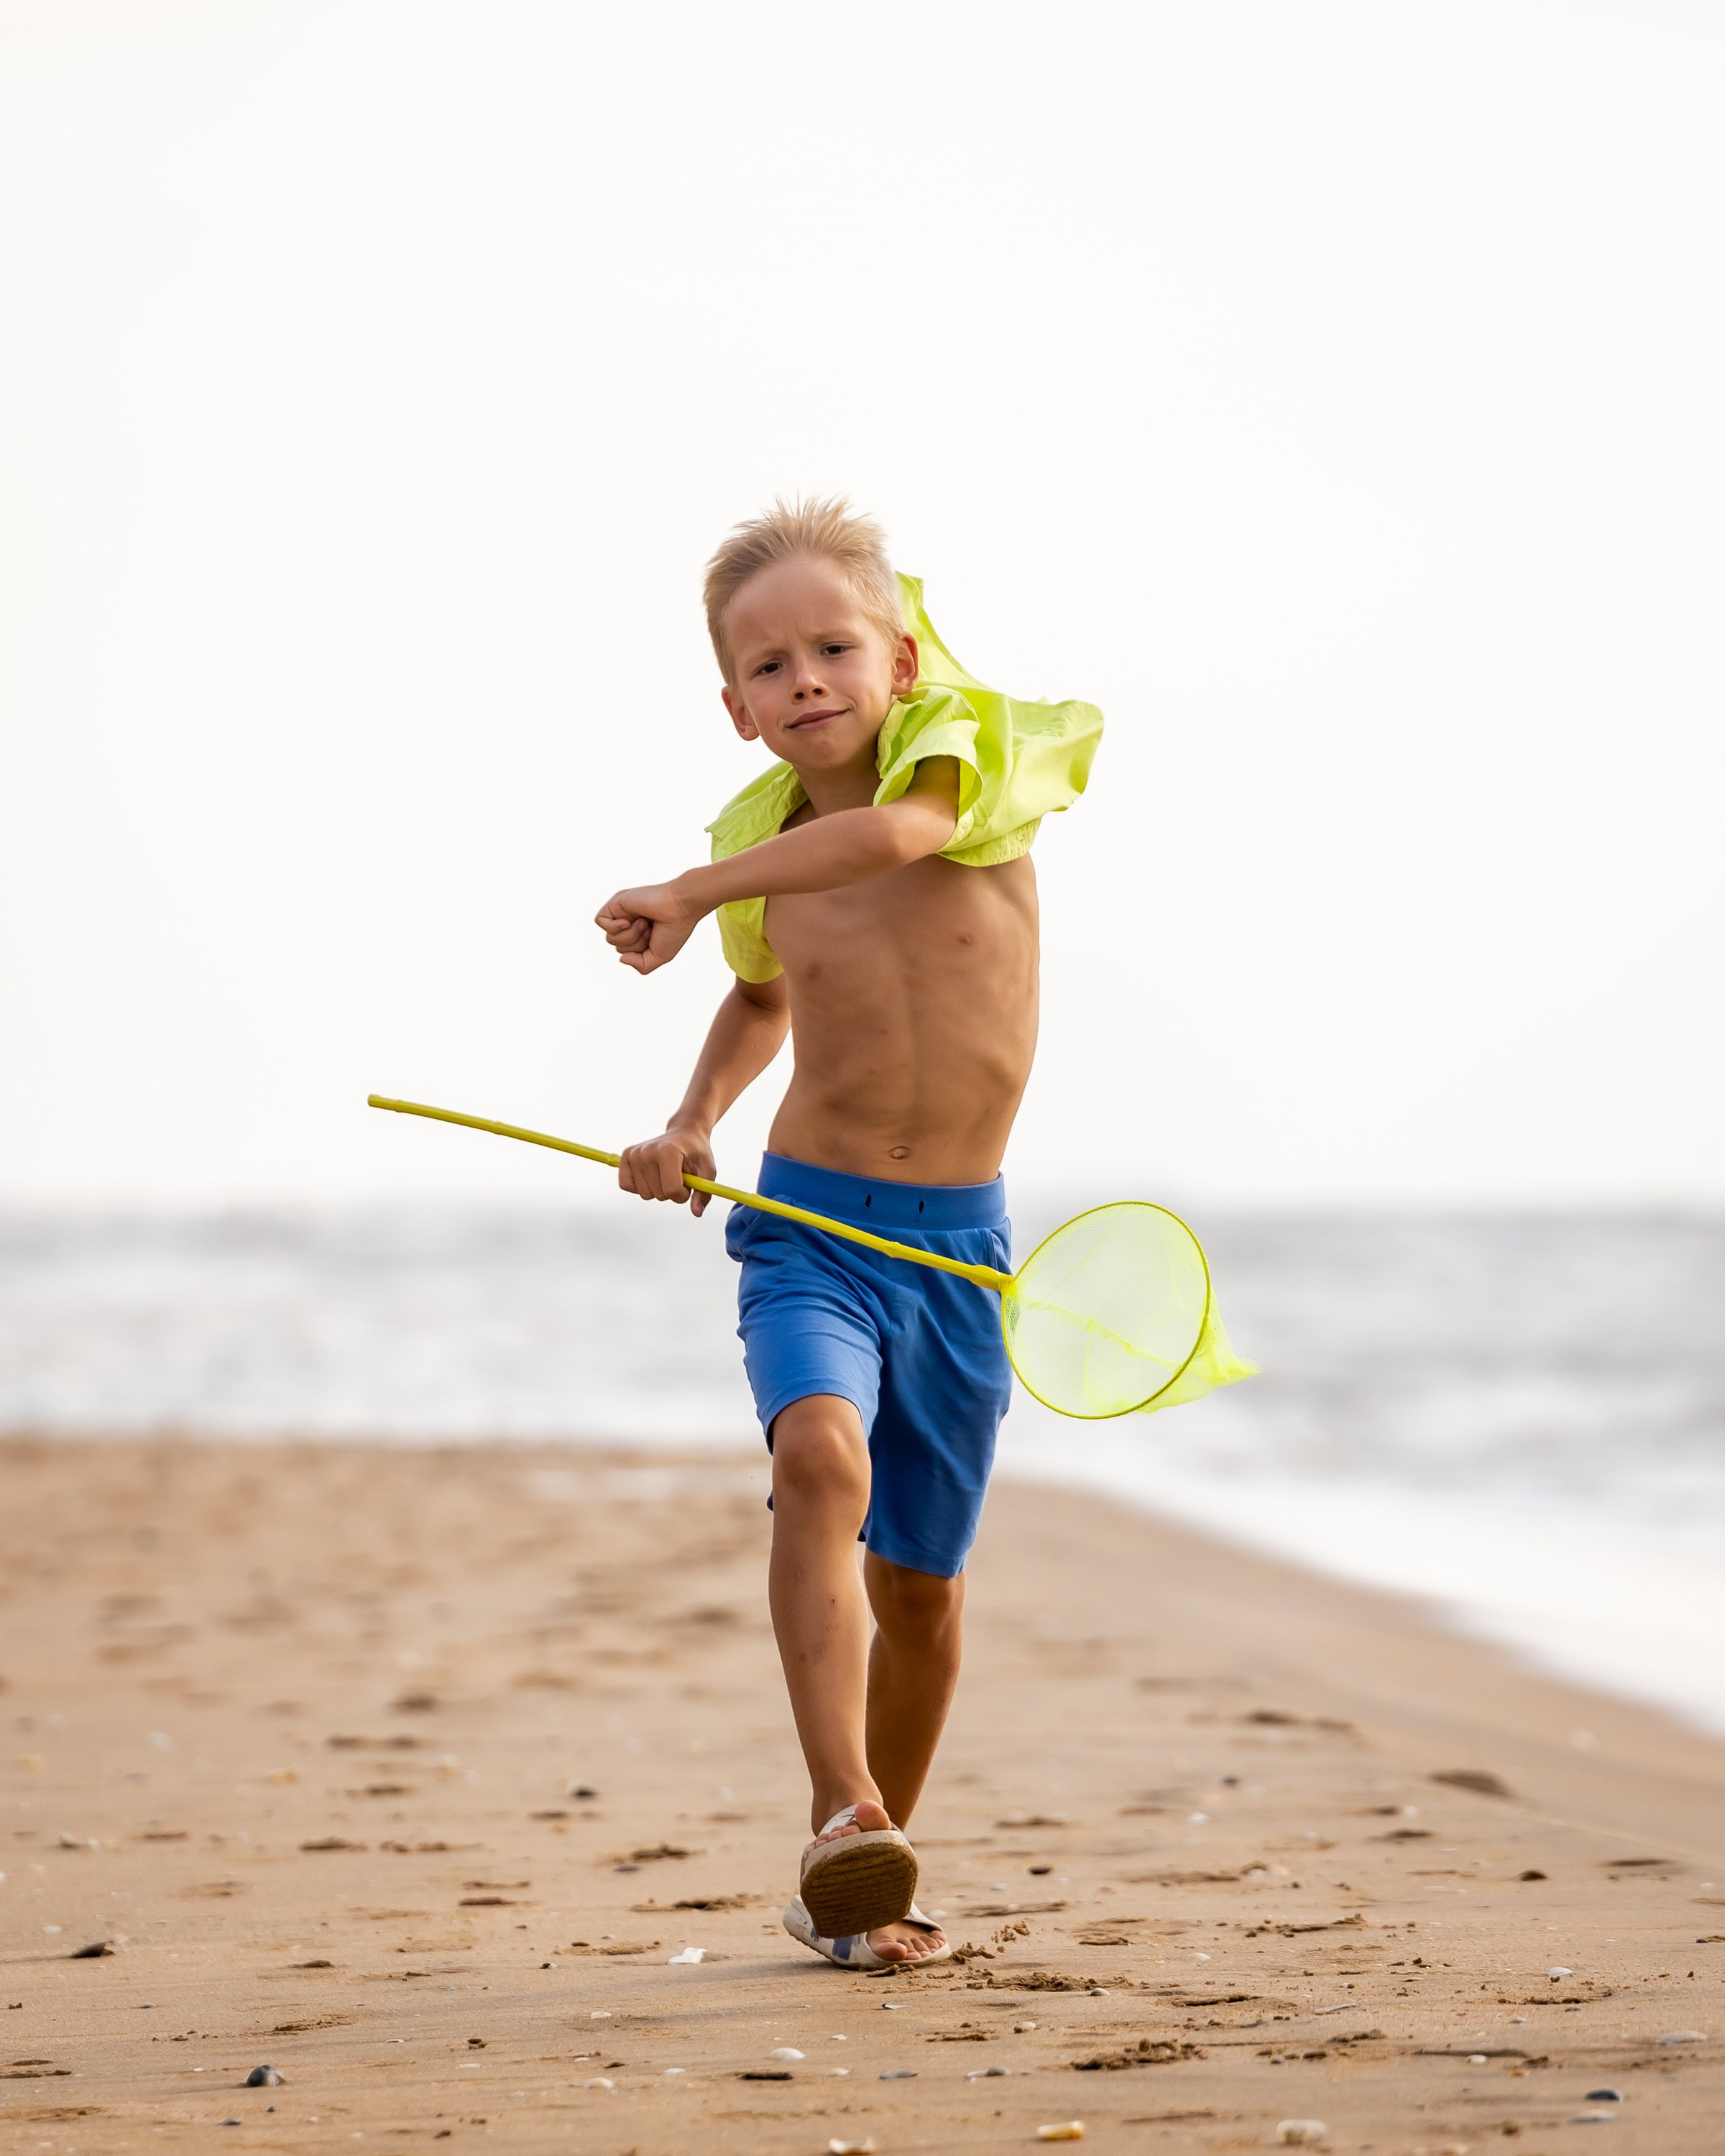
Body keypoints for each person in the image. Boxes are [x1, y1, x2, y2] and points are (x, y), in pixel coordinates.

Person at [594, 499, 1101, 1968]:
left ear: (901, 658)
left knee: (924, 1592)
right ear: (738, 709)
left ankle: (870, 1884)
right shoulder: (760, 846)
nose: (805, 677)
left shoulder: (969, 763)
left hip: (958, 1247)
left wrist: (690, 891)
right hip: (810, 1220)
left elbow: (900, 835)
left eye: (834, 647)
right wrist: (692, 1122)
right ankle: (840, 1808)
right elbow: (763, 994)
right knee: (818, 1457)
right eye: (769, 665)